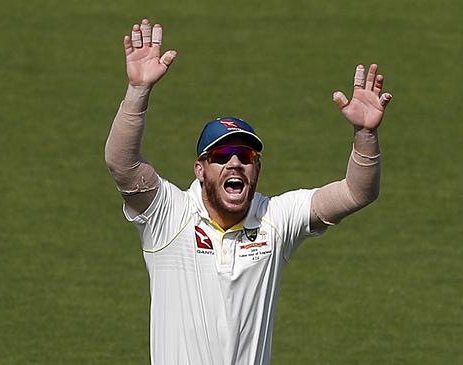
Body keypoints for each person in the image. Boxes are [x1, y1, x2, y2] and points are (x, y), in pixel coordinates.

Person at [105, 17, 393, 365]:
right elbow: (123, 165)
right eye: (222, 155)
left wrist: (365, 136)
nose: (235, 163)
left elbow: (356, 193)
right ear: (200, 170)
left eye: (247, 155)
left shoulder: (276, 220)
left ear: (257, 167)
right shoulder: (170, 216)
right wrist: (138, 91)